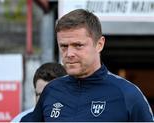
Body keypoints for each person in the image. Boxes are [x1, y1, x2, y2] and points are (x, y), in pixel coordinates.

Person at [21, 9, 154, 122]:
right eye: (63, 46)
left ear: (99, 44)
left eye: (78, 45)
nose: (69, 53)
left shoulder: (127, 94)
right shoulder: (51, 91)